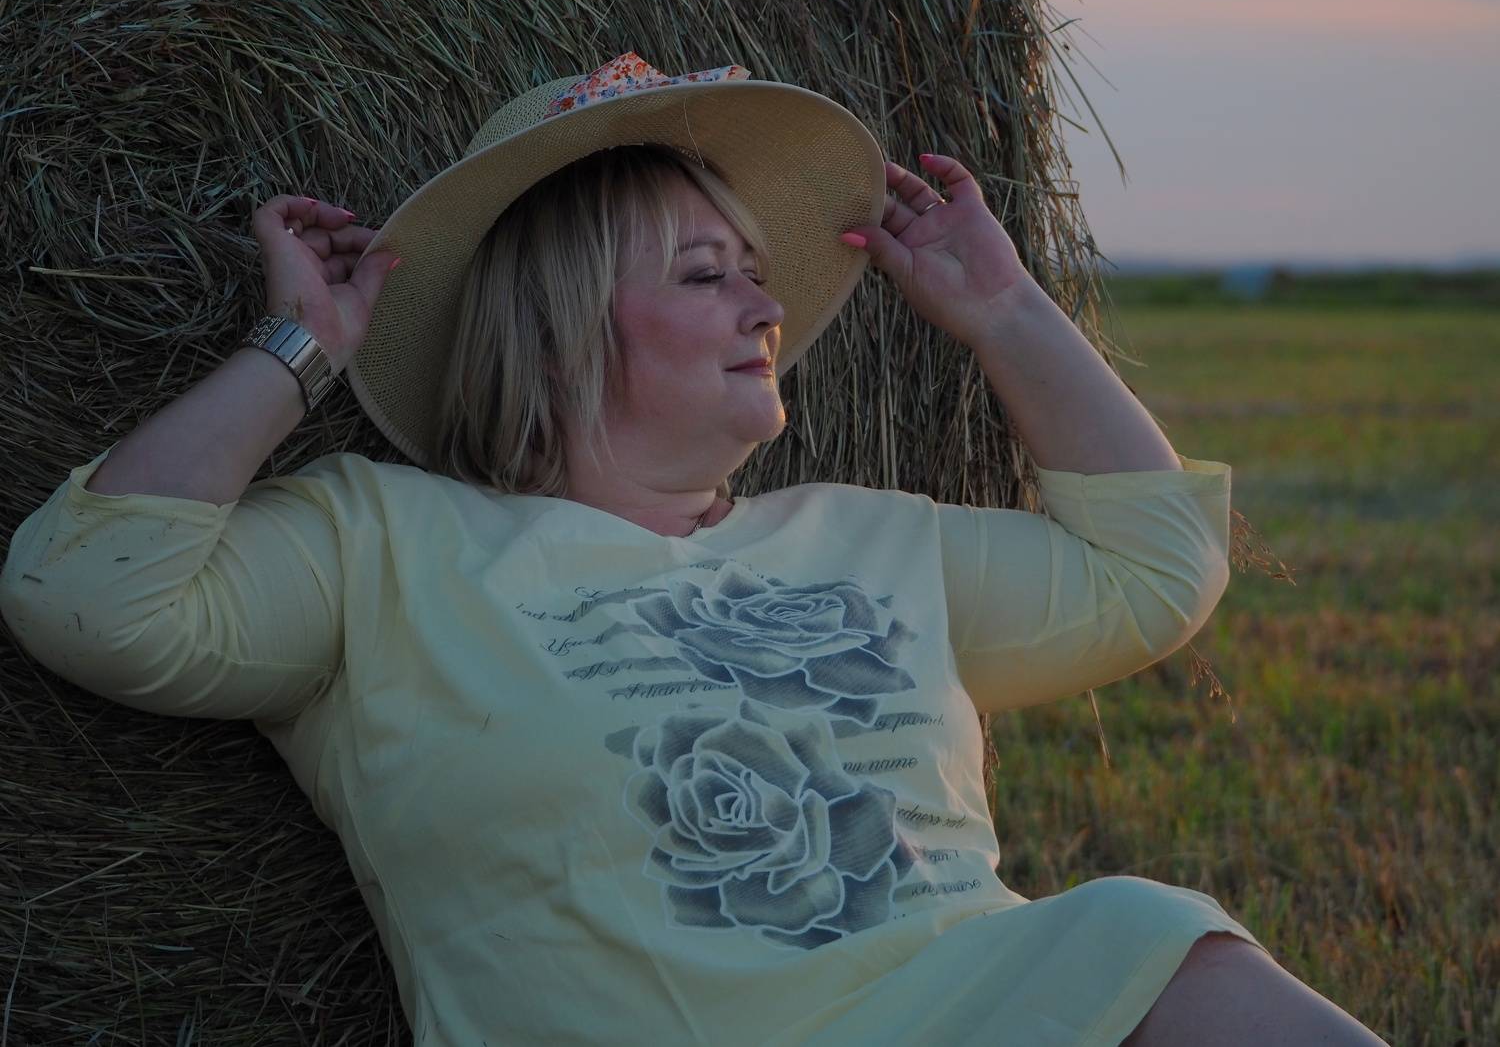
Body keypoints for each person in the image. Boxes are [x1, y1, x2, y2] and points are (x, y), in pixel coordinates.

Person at [0, 53, 1383, 1046]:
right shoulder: (383, 543)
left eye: (757, 273)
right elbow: (88, 592)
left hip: (966, 1002)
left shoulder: (869, 538)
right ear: (558, 329)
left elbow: (1152, 572)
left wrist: (1009, 310)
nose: (767, 309)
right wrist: (301, 347)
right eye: (705, 274)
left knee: (1152, 934)